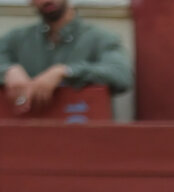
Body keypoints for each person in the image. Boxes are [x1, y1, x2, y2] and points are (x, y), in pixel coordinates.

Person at [1, 0, 132, 117]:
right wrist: (7, 70)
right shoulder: (15, 39)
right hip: (25, 131)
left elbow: (121, 74)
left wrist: (66, 71)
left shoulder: (101, 38)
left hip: (83, 131)